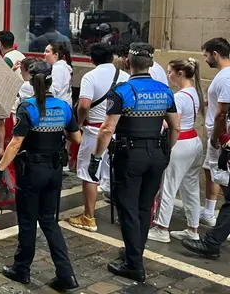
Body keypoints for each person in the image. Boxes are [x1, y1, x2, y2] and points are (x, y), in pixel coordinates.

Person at [87, 43, 179, 282]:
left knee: (127, 208)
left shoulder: (123, 91)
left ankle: (134, 263)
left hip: (131, 155)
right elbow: (175, 125)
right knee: (143, 206)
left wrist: (96, 158)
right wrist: (166, 150)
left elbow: (107, 128)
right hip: (156, 153)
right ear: (150, 63)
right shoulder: (164, 90)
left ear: (128, 62)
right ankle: (134, 251)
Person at [0, 61, 81, 290]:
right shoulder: (63, 106)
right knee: (50, 221)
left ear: (30, 81)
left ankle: (21, 269)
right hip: (54, 170)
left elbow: (15, 143)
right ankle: (66, 273)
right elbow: (77, 138)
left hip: (32, 171)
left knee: (28, 221)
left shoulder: (27, 107)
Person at [68, 43, 129, 233]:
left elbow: (84, 105)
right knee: (118, 174)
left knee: (90, 174)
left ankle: (89, 216)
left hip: (95, 131)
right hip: (118, 131)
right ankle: (123, 215)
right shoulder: (126, 76)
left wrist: (77, 123)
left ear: (91, 59)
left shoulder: (90, 76)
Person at [180, 38, 230, 258]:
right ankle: (213, 240)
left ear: (216, 54)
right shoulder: (224, 77)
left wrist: (217, 138)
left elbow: (222, 113)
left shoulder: (226, 77)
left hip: (223, 139)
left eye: (207, 55)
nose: (206, 59)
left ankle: (211, 242)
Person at [148, 58, 204, 243]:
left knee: (168, 186)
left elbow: (173, 124)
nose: (168, 75)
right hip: (194, 142)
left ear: (180, 74)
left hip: (181, 144)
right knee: (191, 187)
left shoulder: (179, 97)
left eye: (170, 72)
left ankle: (162, 228)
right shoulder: (194, 93)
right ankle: (192, 228)